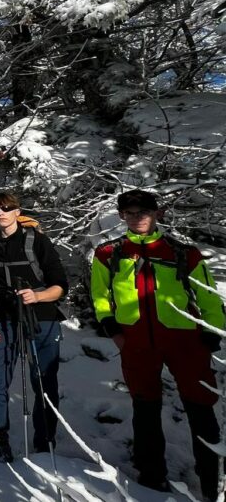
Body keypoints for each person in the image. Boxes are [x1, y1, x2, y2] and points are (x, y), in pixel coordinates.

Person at [91, 189, 224, 498]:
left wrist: (210, 333)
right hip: (136, 343)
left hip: (185, 342)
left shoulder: (181, 252)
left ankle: (210, 480)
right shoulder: (108, 254)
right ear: (122, 216)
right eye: (131, 212)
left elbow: (208, 296)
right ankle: (152, 478)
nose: (137, 217)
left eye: (144, 211)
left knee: (201, 409)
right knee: (145, 409)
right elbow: (101, 296)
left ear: (157, 214)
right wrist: (114, 331)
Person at [0, 191, 67, 463]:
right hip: (3, 315)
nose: (1, 213)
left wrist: (37, 296)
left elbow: (60, 285)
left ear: (17, 211)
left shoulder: (37, 241)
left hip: (42, 315)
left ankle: (45, 441)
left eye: (6, 208)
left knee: (44, 379)